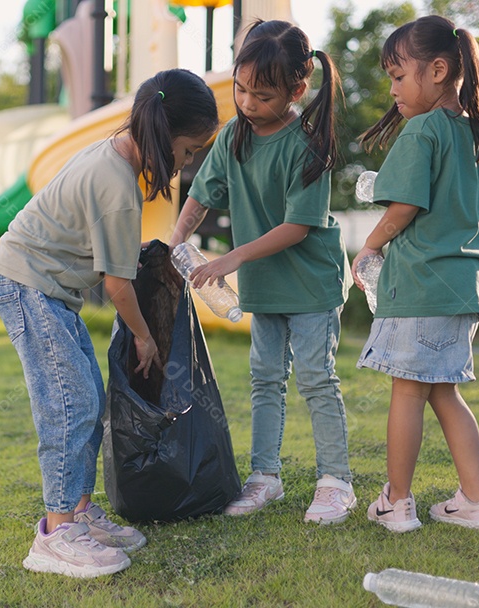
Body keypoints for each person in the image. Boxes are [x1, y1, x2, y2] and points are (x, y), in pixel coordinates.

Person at [0, 68, 219, 577]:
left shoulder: (115, 152)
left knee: (84, 398)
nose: (184, 164)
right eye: (186, 152)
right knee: (70, 406)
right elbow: (116, 288)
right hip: (28, 285)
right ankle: (55, 533)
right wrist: (144, 338)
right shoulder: (117, 185)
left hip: (49, 289)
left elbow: (99, 251)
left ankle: (78, 510)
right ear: (164, 134)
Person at [168, 20, 355, 525]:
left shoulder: (309, 143)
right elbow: (200, 197)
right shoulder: (232, 137)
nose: (247, 103)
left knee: (317, 378)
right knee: (265, 379)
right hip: (264, 286)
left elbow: (297, 227)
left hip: (312, 284)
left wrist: (229, 259)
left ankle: (336, 482)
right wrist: (175, 242)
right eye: (241, 89)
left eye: (262, 94)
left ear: (298, 89)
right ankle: (265, 477)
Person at [353, 15, 479, 533]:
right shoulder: (477, 135)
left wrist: (369, 246)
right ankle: (475, 502)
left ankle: (398, 502)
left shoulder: (423, 130)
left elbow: (403, 205)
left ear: (437, 70)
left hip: (420, 285)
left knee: (406, 393)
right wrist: (478, 147)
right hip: (463, 292)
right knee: (443, 392)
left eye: (397, 76)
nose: (392, 91)